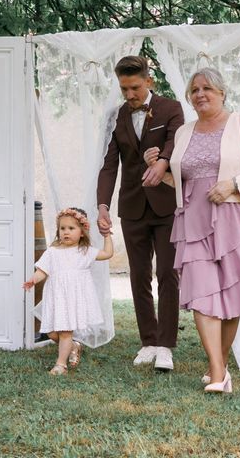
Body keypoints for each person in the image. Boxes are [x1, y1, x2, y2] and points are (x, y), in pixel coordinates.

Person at [144, 67, 240, 392]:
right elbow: (183, 179)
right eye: (194, 90)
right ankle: (220, 375)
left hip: (235, 219)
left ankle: (216, 366)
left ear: (222, 92)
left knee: (230, 294)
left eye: (207, 88)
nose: (200, 94)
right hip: (193, 220)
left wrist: (234, 184)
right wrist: (157, 167)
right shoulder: (184, 132)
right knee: (202, 292)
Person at [97, 55, 184, 370]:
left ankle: (166, 345)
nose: (130, 94)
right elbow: (109, 164)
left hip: (166, 205)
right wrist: (103, 204)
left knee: (167, 274)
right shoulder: (115, 116)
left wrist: (162, 162)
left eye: (135, 87)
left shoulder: (171, 109)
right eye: (124, 89)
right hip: (131, 207)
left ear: (149, 81)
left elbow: (178, 141)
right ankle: (148, 341)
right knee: (138, 275)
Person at [23, 207, 114, 375]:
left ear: (82, 231)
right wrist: (33, 280)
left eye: (71, 228)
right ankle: (73, 346)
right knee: (51, 333)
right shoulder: (52, 252)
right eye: (62, 228)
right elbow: (43, 270)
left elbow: (108, 254)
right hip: (57, 298)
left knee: (65, 332)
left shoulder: (85, 251)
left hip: (74, 299)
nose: (66, 232)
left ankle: (61, 365)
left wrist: (107, 236)